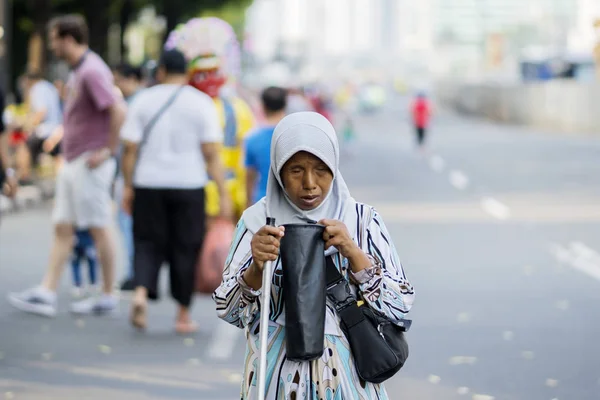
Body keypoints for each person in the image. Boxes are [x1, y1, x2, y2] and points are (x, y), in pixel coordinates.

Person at [213, 112, 415, 399]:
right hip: (276, 378)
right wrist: (256, 269)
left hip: (348, 376)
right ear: (278, 171)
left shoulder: (362, 220)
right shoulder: (257, 222)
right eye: (296, 170)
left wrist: (353, 252)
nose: (310, 183)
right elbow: (228, 310)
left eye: (321, 169)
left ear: (334, 166)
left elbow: (400, 305)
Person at [8, 14, 127, 317]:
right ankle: (47, 291)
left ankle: (107, 293)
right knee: (63, 227)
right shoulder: (80, 70)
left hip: (89, 162)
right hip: (76, 161)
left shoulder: (91, 71)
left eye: (54, 39)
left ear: (67, 39)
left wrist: (107, 151)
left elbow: (117, 109)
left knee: (99, 226)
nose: (51, 46)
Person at [120, 49, 232, 334]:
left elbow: (130, 149)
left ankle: (141, 293)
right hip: (189, 184)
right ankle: (182, 314)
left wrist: (128, 186)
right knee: (186, 247)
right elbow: (211, 153)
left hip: (148, 182)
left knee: (146, 241)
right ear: (187, 72)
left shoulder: (143, 100)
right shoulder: (201, 103)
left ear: (160, 71)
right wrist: (223, 193)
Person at [112, 62, 144, 291]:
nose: (116, 85)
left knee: (129, 225)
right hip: (143, 174)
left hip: (132, 174)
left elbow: (129, 147)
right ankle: (138, 273)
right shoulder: (143, 101)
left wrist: (126, 183)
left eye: (119, 79)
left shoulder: (136, 104)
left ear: (131, 78)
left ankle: (136, 274)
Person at [244, 86, 287, 206]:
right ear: (285, 104)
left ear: (263, 106)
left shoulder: (252, 138)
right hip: (292, 200)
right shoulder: (294, 134)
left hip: (263, 201)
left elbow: (250, 176)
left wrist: (248, 204)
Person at [70, 229, 98, 298]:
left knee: (90, 262)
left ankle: (89, 283)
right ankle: (90, 283)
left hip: (83, 240)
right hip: (84, 241)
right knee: (79, 263)